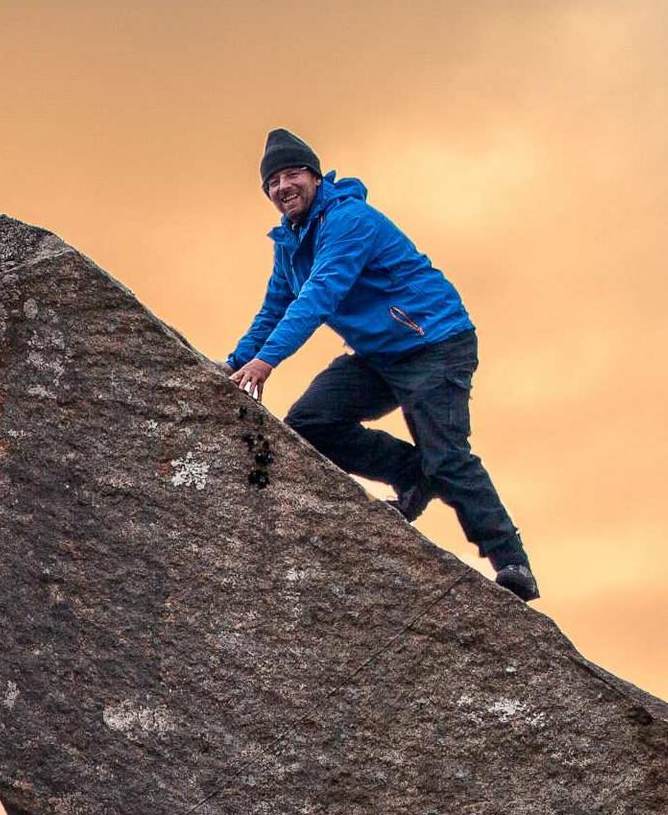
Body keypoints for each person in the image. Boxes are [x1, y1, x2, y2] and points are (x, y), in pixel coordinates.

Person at [223, 128, 538, 602]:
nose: (283, 186)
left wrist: (267, 361)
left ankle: (511, 561)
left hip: (433, 340)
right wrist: (234, 364)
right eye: (273, 182)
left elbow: (320, 293)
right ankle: (412, 473)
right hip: (378, 354)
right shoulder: (289, 243)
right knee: (311, 423)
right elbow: (275, 307)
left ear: (315, 176)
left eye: (293, 174)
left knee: (447, 455)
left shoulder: (348, 220)